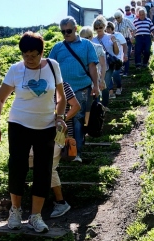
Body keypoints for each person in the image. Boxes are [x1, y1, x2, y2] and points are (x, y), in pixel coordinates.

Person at [0, 31, 67, 233]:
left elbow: (62, 98)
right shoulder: (15, 70)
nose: (29, 60)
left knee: (43, 170)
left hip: (46, 126)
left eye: (33, 55)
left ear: (42, 53)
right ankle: (15, 211)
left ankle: (36, 216)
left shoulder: (53, 66)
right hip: (19, 125)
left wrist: (59, 117)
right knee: (17, 167)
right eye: (25, 55)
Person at [49, 16, 99, 163]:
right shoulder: (57, 47)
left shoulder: (87, 45)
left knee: (77, 119)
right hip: (61, 90)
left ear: (76, 29)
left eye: (69, 31)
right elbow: (49, 67)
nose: (66, 34)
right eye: (63, 31)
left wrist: (95, 85)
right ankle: (62, 152)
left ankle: (76, 153)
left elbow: (92, 66)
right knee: (61, 121)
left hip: (81, 87)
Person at [29, 82, 80, 218]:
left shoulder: (63, 86)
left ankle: (61, 202)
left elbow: (76, 106)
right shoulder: (37, 89)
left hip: (59, 134)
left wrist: (60, 119)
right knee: (30, 160)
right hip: (39, 133)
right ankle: (38, 198)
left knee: (48, 167)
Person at [79, 26, 107, 125]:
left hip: (92, 80)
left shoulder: (97, 47)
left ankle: (92, 125)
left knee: (93, 104)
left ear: (91, 36)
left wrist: (102, 80)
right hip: (86, 80)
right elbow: (103, 66)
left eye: (87, 37)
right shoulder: (96, 47)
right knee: (89, 105)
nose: (86, 40)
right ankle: (89, 125)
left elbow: (103, 65)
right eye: (83, 37)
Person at [92, 15, 119, 106]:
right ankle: (98, 105)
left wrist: (114, 42)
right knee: (98, 85)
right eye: (96, 28)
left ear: (104, 27)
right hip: (97, 66)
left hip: (108, 64)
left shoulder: (110, 37)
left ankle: (104, 105)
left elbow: (116, 52)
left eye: (100, 27)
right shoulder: (92, 39)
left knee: (105, 85)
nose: (98, 29)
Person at [106, 21, 127, 96]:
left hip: (118, 59)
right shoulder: (104, 37)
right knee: (108, 74)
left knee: (115, 74)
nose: (107, 30)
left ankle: (119, 86)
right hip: (108, 59)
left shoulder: (118, 35)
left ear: (112, 28)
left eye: (109, 28)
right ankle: (111, 90)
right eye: (106, 29)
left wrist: (125, 55)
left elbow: (124, 45)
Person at [114, 10, 136, 77]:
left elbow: (134, 29)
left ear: (121, 16)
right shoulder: (115, 23)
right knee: (120, 56)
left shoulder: (127, 21)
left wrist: (132, 37)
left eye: (119, 17)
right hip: (118, 42)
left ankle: (126, 72)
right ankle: (121, 70)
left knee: (126, 55)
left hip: (127, 40)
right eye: (116, 18)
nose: (118, 19)